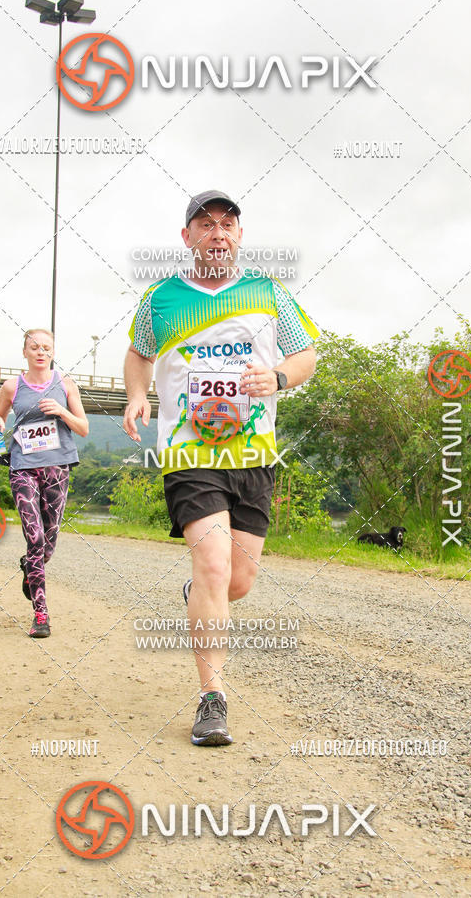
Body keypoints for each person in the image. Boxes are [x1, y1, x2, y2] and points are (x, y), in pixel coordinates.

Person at [123, 190, 318, 746]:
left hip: (253, 453)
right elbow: (139, 353)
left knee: (237, 580)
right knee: (212, 568)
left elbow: (305, 354)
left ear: (239, 236)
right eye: (205, 224)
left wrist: (278, 377)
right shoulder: (161, 297)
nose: (217, 232)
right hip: (190, 452)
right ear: (187, 237)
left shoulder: (268, 291)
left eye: (227, 224)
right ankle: (213, 698)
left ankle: (200, 598)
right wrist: (138, 395)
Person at [0, 329, 89, 638]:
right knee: (34, 536)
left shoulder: (66, 384)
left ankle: (30, 567)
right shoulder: (11, 386)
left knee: (49, 540)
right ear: (25, 352)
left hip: (58, 466)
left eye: (46, 347)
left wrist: (61, 410)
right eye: (35, 347)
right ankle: (41, 615)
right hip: (23, 467)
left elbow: (83, 428)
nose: (41, 352)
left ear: (53, 352)